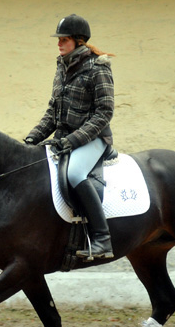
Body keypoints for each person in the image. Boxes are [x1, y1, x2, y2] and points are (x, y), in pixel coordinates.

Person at [25, 14, 115, 260]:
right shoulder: (61, 68)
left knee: (75, 173)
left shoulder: (98, 67)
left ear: (78, 41)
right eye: (59, 39)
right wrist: (31, 139)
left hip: (94, 138)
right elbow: (53, 113)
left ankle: (102, 239)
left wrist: (73, 140)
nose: (59, 44)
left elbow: (104, 113)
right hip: (64, 140)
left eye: (63, 40)